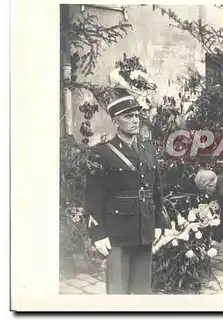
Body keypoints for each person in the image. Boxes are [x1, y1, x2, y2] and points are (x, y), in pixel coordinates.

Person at [84, 88, 170, 294]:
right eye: (128, 116)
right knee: (118, 292)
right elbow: (93, 196)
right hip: (117, 232)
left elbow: (156, 188)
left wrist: (158, 221)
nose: (135, 120)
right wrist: (98, 234)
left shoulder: (148, 149)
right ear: (115, 122)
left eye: (137, 116)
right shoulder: (101, 153)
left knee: (142, 292)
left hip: (144, 229)